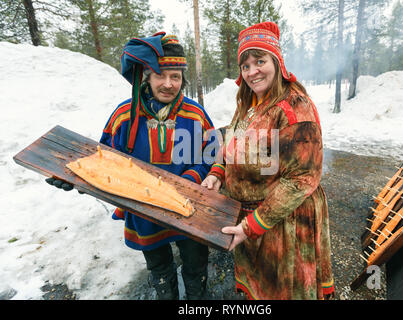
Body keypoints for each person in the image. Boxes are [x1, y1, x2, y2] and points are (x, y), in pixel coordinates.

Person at [46, 32, 218, 300]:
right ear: (146, 76)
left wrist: (191, 179)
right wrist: (74, 178)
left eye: (176, 76)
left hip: (189, 206)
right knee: (160, 267)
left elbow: (212, 152)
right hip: (143, 210)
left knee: (195, 265)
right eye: (161, 74)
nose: (169, 83)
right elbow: (103, 162)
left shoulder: (194, 114)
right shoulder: (124, 115)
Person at [201, 22, 335, 300]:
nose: (252, 71)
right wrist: (217, 173)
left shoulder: (295, 107)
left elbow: (302, 179)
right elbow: (232, 143)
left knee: (283, 290)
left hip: (285, 224)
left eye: (259, 61)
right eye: (245, 65)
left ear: (276, 61)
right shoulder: (248, 103)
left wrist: (251, 225)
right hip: (252, 217)